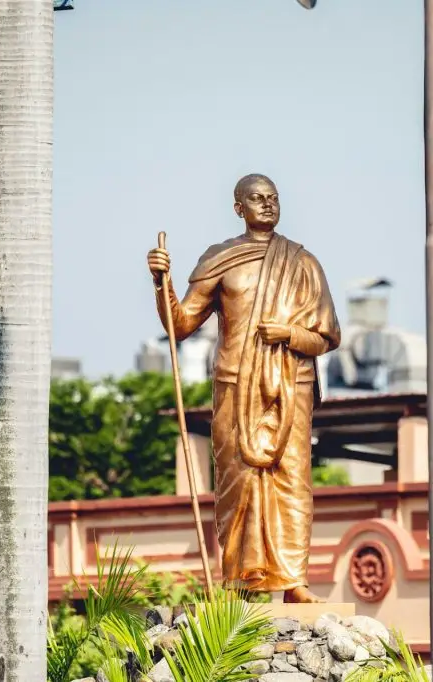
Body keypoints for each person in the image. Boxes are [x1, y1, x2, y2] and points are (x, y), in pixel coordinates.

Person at [146, 173, 341, 603]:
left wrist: (289, 333)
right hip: (236, 384)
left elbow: (328, 336)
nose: (268, 205)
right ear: (239, 207)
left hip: (292, 384)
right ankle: (239, 581)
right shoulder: (221, 260)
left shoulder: (303, 263)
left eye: (273, 198)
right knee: (237, 481)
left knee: (292, 478)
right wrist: (163, 283)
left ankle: (293, 581)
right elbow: (180, 326)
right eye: (257, 198)